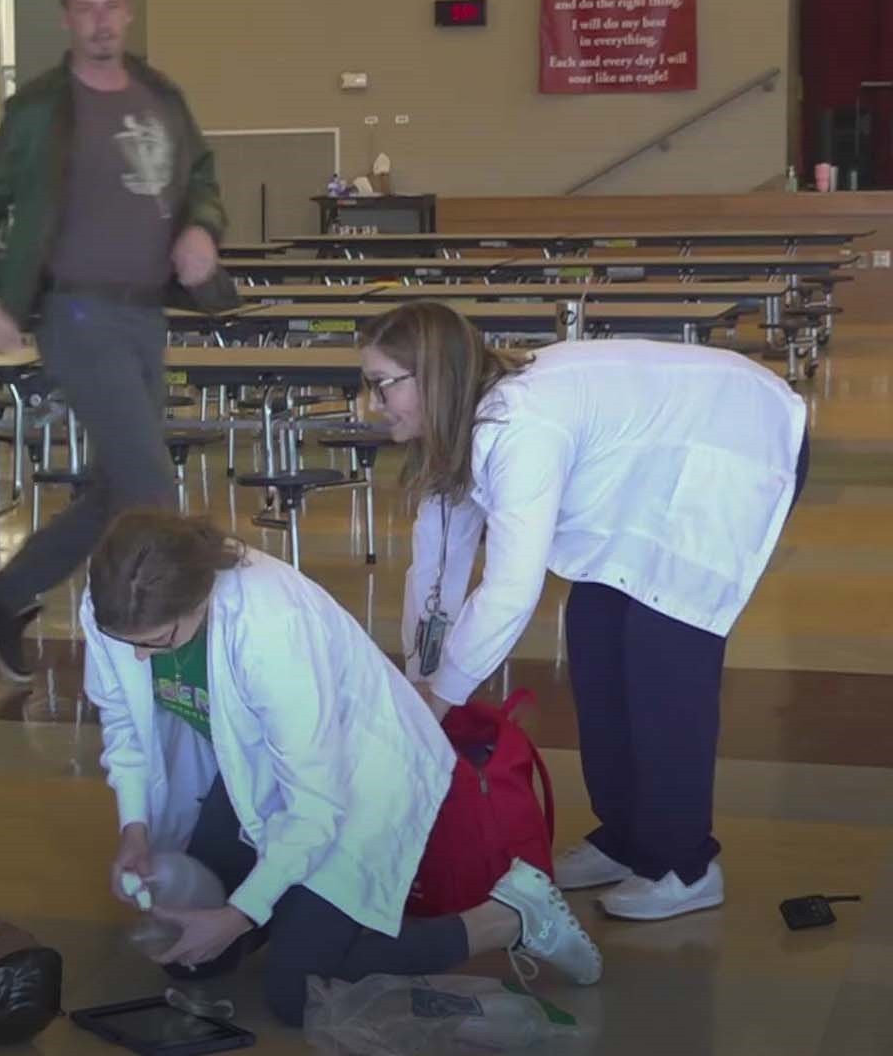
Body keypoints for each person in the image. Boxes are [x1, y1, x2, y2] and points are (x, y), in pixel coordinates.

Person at [361, 301, 810, 922]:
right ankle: (627, 837)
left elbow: (510, 591)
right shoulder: (460, 427)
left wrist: (443, 700)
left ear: (432, 378)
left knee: (661, 665)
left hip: (730, 444)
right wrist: (422, 672)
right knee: (597, 643)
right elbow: (437, 562)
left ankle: (685, 865)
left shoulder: (521, 429)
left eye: (383, 385)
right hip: (650, 473)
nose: (373, 402)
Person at [85, 511, 603, 1026]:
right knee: (197, 961)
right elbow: (123, 724)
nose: (137, 659)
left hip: (355, 773)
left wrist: (240, 913)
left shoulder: (269, 625)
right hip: (254, 768)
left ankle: (510, 915)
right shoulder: (117, 607)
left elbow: (315, 802)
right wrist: (136, 827)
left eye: (155, 644)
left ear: (199, 598)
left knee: (298, 993)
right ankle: (292, 907)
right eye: (127, 643)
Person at [0, 0, 229, 681]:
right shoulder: (40, 108)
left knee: (117, 489)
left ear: (129, 12)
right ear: (67, 17)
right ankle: (167, 650)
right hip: (76, 312)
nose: (102, 21)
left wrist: (201, 225)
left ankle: (7, 591)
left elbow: (201, 174)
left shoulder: (161, 95)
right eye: (87, 9)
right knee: (151, 490)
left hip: (146, 312)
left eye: (112, 6)